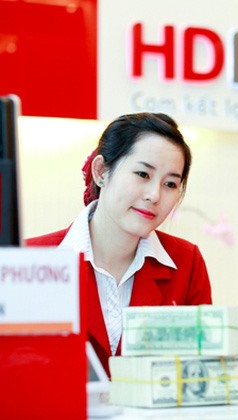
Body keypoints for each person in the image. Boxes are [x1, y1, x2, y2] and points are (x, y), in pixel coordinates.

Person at [26, 112, 212, 376]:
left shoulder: (186, 262)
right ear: (101, 172)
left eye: (170, 184)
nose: (155, 195)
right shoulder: (31, 260)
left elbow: (201, 374)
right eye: (143, 174)